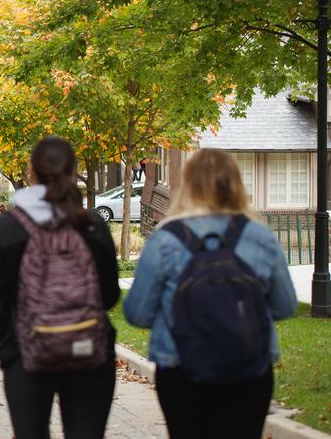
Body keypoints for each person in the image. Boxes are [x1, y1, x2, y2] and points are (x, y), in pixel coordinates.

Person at [123, 149, 296, 439]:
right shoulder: (260, 236)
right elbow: (285, 305)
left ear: (187, 185)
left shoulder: (165, 238)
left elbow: (138, 314)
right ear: (237, 184)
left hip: (181, 366)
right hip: (248, 366)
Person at [0, 137, 119, 439]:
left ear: (31, 172)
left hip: (26, 355)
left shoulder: (6, 228)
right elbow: (108, 294)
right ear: (73, 171)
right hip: (89, 351)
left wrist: (14, 332)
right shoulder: (92, 225)